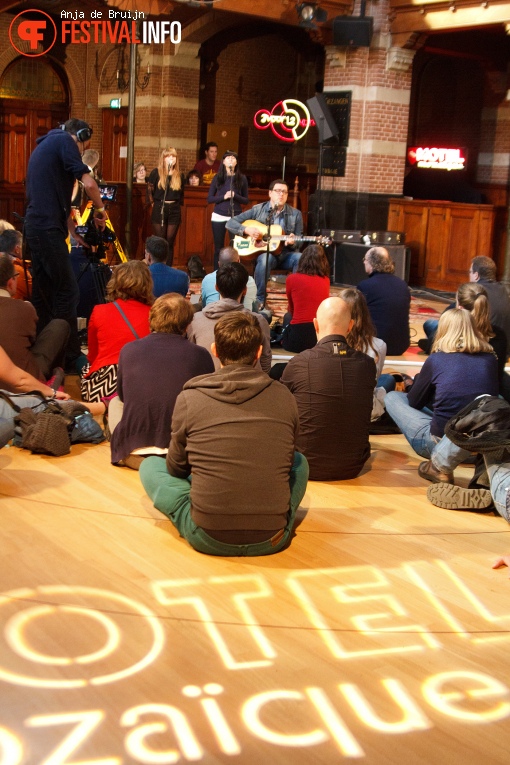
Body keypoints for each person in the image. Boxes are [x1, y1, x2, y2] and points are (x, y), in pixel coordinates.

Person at [139, 311, 309, 556]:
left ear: (215, 350)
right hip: (272, 537)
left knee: (150, 467)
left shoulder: (190, 396)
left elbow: (176, 468)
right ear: (259, 352)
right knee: (301, 464)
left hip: (207, 536)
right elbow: (290, 456)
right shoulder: (285, 396)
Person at [24, 119, 107, 372]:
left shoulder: (46, 144)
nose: (82, 152)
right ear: (78, 136)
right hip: (47, 230)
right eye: (84, 146)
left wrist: (73, 231)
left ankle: (42, 354)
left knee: (43, 293)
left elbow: (50, 198)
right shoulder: (64, 141)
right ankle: (69, 356)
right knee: (68, 292)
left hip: (36, 228)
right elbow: (90, 184)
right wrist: (100, 210)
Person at [385, 308, 499, 482]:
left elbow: (414, 402)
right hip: (479, 445)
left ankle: (439, 465)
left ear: (443, 330)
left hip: (439, 441)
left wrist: (414, 384)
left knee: (393, 397)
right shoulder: (490, 359)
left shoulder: (437, 359)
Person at [109, 293, 214, 469]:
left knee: (114, 402)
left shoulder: (128, 350)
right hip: (184, 454)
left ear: (151, 319)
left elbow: (123, 395)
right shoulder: (200, 354)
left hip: (134, 453)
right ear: (187, 325)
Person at [281, 296, 375, 481]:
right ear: (350, 326)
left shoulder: (299, 363)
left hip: (304, 465)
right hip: (353, 465)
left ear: (315, 325)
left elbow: (281, 409)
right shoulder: (367, 364)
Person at [80, 261, 153, 402]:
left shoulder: (99, 311)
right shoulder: (156, 312)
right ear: (147, 284)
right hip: (144, 382)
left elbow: (93, 355)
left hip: (105, 385)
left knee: (81, 362)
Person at [226, 179, 303, 306]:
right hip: (266, 253)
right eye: (278, 191)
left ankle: (294, 300)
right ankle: (260, 299)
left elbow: (299, 241)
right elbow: (230, 223)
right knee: (264, 260)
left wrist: (292, 242)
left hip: (285, 254)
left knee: (300, 258)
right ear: (270, 193)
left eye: (284, 192)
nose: (281, 194)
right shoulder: (258, 209)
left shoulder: (296, 214)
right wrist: (246, 230)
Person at [188, 262, 271, 373]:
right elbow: (265, 362)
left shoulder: (195, 320)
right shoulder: (259, 321)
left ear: (216, 287)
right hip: (252, 384)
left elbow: (191, 360)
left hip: (206, 384)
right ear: (245, 290)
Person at [420, 257, 510, 359]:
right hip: (501, 349)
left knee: (430, 324)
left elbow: (446, 317)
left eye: (470, 272)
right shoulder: (504, 291)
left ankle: (430, 343)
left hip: (470, 345)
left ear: (476, 275)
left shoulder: (473, 293)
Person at [0, 255, 69, 381]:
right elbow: (31, 341)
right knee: (60, 325)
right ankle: (56, 379)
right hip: (22, 379)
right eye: (16, 277)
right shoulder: (25, 308)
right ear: (10, 282)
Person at [338, 287, 389, 420]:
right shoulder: (379, 345)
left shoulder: (327, 342)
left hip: (333, 409)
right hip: (365, 410)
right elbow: (374, 381)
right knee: (388, 380)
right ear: (365, 313)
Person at [357, 246, 411, 356]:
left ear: (372, 262)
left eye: (365, 259)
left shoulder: (365, 286)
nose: (363, 262)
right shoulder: (402, 285)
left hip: (374, 346)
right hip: (400, 346)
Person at [281, 244, 331, 353]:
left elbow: (291, 309)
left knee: (287, 316)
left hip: (297, 338)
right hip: (318, 338)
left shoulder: (291, 279)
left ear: (302, 259)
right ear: (323, 261)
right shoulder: (326, 280)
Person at [207, 150, 249, 270]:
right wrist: (223, 197)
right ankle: (217, 273)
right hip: (219, 215)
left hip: (236, 216)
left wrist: (235, 195)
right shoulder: (218, 177)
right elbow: (210, 198)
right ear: (223, 161)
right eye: (228, 158)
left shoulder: (242, 178)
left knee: (236, 246)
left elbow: (246, 200)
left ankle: (235, 272)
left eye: (233, 158)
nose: (231, 159)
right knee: (218, 247)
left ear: (236, 162)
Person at [147, 148, 184, 266]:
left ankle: (168, 267)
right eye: (168, 156)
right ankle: (158, 266)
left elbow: (182, 194)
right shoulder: (156, 172)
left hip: (174, 208)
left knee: (169, 241)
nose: (171, 159)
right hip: (160, 207)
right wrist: (153, 203)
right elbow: (149, 190)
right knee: (160, 240)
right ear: (163, 159)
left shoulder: (180, 175)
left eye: (173, 157)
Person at [201, 246, 256, 310]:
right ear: (245, 290)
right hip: (243, 317)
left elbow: (204, 305)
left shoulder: (207, 279)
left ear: (216, 287)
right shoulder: (250, 281)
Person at [0, 227, 31, 300]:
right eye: (22, 246)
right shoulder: (17, 270)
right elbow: (35, 291)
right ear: (17, 249)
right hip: (10, 308)